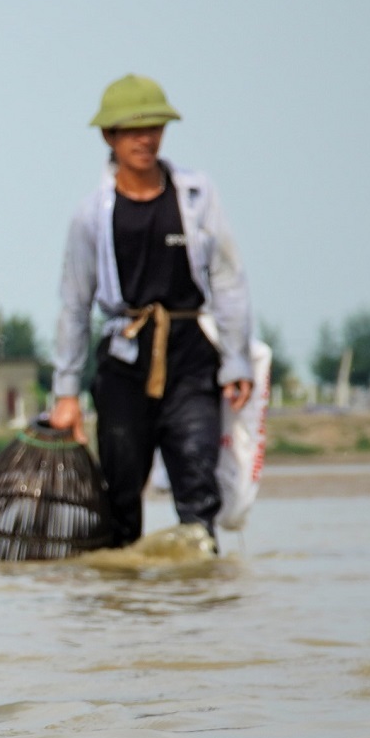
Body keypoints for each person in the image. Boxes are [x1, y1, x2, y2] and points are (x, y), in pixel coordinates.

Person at [50, 74, 253, 544]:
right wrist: (65, 392)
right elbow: (75, 304)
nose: (146, 139)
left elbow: (227, 279)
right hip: (124, 359)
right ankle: (123, 590)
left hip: (192, 355)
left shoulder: (196, 197)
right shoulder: (91, 215)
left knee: (198, 481)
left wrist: (236, 359)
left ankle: (199, 578)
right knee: (120, 492)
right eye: (132, 130)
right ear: (109, 137)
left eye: (155, 127)